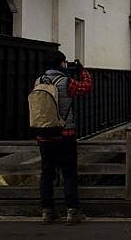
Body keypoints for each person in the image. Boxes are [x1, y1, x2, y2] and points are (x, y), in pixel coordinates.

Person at [35, 50, 92, 225]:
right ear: (61, 64)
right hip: (65, 134)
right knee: (69, 173)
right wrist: (83, 71)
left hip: (44, 135)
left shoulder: (38, 81)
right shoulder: (66, 82)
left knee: (47, 173)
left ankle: (47, 211)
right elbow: (86, 87)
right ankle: (72, 211)